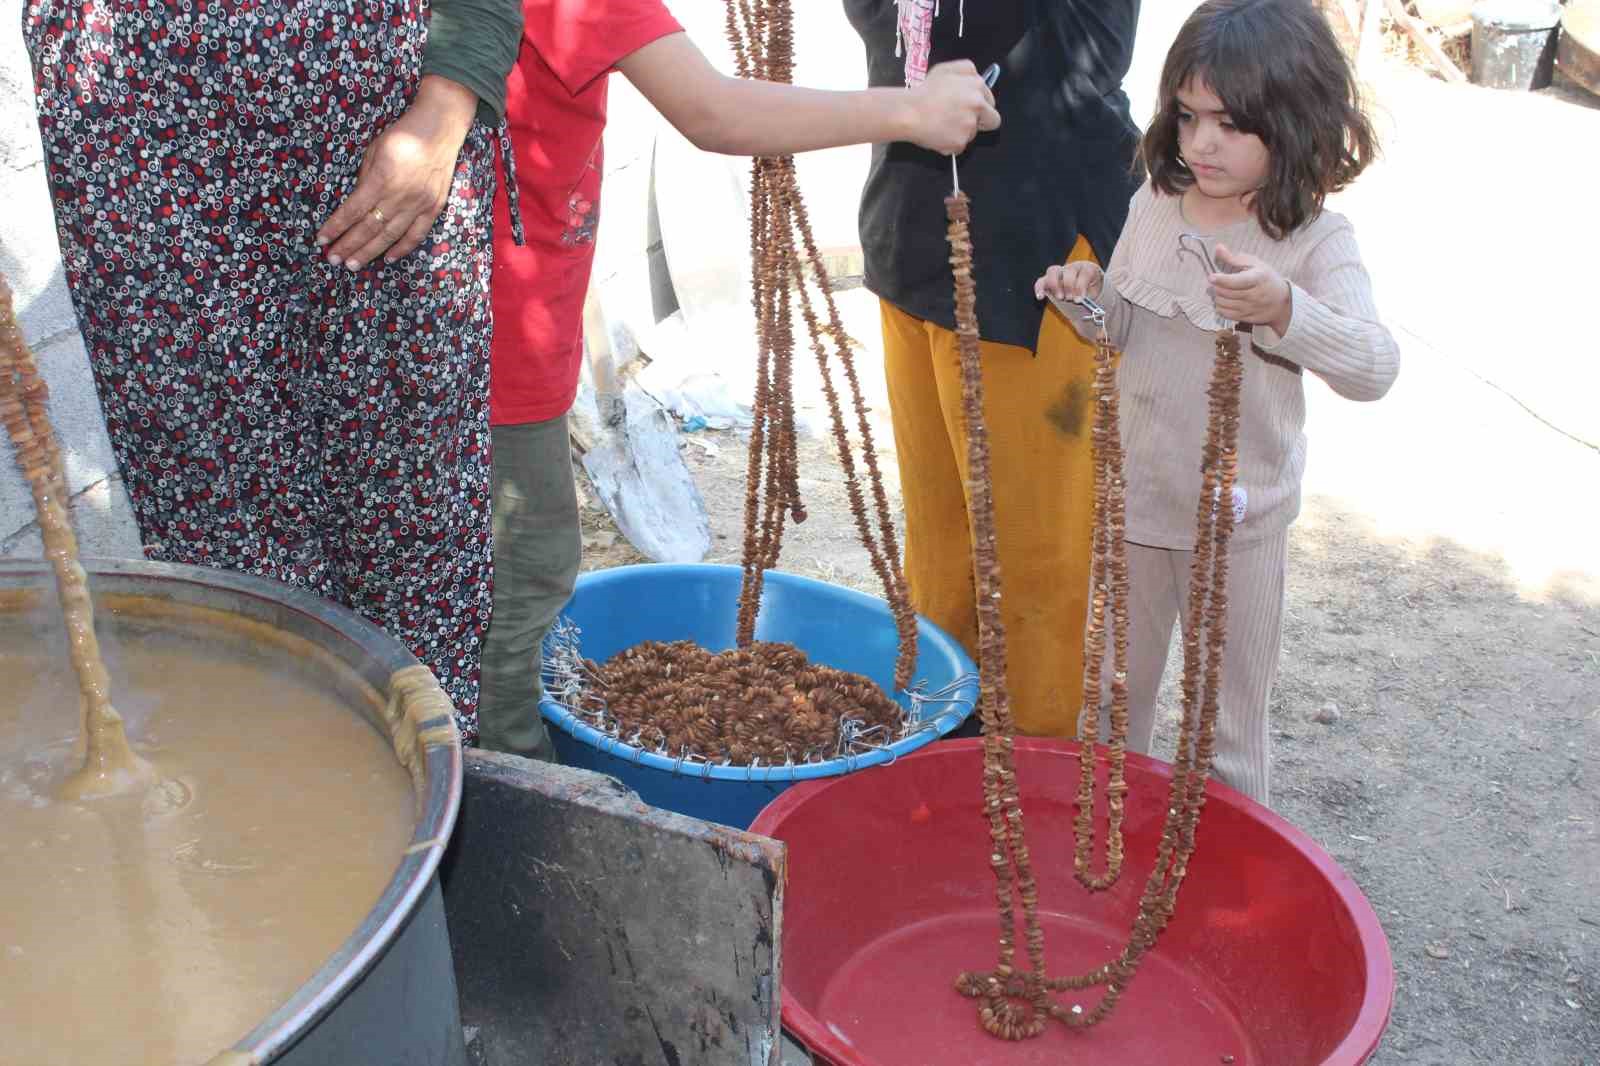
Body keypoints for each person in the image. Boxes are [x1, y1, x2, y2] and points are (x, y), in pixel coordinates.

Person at [474, 1, 1003, 761]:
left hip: (488, 328)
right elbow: (712, 110)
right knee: (523, 586)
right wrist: (914, 110)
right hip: (495, 349)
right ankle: (510, 798)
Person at [24, 0, 524, 740]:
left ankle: (426, 808)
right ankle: (280, 806)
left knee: (407, 523)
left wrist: (446, 105)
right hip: (135, 143)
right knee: (223, 538)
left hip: (377, 142)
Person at [1036, 0, 1399, 804]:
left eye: (1232, 124)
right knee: (1107, 705)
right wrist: (1086, 298)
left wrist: (1283, 309)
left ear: (1296, 120)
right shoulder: (1154, 205)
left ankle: (1233, 905)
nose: (1202, 143)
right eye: (1190, 116)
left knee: (1224, 733)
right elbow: (1123, 331)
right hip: (1134, 508)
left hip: (1238, 526)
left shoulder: (1313, 241)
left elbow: (1375, 367)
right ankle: (1103, 862)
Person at [839, 1, 1144, 740]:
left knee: (1035, 565)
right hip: (912, 237)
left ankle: (1037, 784)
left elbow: (1093, 56)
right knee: (940, 550)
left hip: (1035, 270)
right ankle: (941, 747)